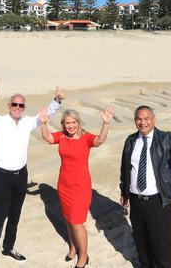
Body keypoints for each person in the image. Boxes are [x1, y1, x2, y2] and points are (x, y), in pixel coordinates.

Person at [0, 83, 65, 268]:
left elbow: (45, 116)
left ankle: (8, 247)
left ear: (24, 108)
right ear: (9, 106)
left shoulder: (28, 122)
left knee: (15, 214)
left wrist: (57, 100)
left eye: (21, 105)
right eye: (14, 104)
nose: (17, 108)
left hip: (21, 175)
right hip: (2, 176)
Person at [119, 105, 171, 268]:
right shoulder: (130, 140)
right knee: (141, 244)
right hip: (136, 200)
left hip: (158, 201)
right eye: (139, 119)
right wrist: (124, 191)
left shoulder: (166, 139)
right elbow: (125, 168)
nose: (142, 122)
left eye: (146, 118)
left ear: (154, 120)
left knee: (161, 246)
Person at [39, 105, 115, 268]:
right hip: (64, 185)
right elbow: (47, 138)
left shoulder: (85, 138)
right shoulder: (62, 137)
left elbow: (100, 140)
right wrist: (43, 123)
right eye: (67, 123)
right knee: (68, 219)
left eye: (73, 122)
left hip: (80, 187)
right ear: (63, 124)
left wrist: (106, 123)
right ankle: (73, 247)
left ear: (78, 123)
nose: (71, 126)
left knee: (76, 221)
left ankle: (84, 255)